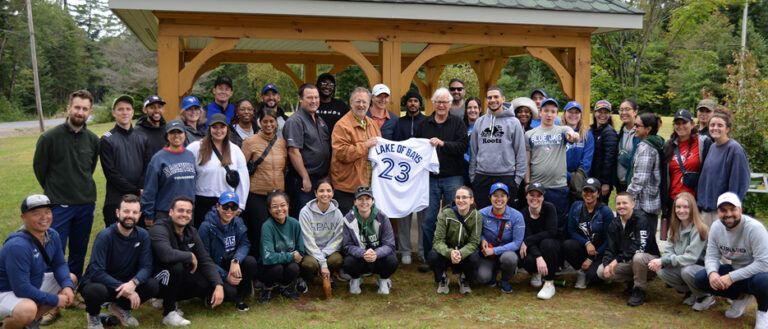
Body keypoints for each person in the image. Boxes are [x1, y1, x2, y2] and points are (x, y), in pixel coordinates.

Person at [33, 89, 99, 280]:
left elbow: (89, 168)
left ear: (89, 111)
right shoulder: (49, 138)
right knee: (55, 249)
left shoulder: (94, 140)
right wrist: (56, 189)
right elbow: (40, 169)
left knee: (79, 250)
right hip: (59, 204)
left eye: (85, 109)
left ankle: (73, 288)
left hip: (85, 203)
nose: (80, 112)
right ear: (68, 108)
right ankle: (53, 294)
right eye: (77, 107)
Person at [80, 194, 158, 329]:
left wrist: (134, 283)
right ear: (118, 213)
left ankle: (120, 307)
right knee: (94, 290)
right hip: (103, 284)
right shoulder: (105, 236)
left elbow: (147, 266)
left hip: (127, 283)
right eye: (126, 211)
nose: (130, 216)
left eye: (134, 212)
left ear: (139, 215)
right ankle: (93, 316)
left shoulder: (143, 235)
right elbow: (96, 271)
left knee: (153, 285)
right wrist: (126, 288)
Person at [0, 195, 76, 329]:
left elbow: (59, 264)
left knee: (70, 279)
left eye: (47, 212)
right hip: (6, 291)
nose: (44, 217)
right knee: (27, 310)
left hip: (31, 282)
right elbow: (21, 289)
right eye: (36, 213)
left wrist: (67, 286)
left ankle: (30, 324)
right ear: (23, 217)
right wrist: (56, 300)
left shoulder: (52, 234)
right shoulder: (17, 246)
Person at [693, 192, 768, 327]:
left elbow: (763, 263)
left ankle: (764, 312)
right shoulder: (716, 227)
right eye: (723, 210)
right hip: (736, 269)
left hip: (759, 273)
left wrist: (731, 277)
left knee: (764, 282)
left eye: (733, 209)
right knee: (701, 278)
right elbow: (711, 255)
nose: (728, 214)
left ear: (740, 209)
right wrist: (712, 273)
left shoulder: (755, 228)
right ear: (718, 212)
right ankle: (739, 297)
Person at [149, 196, 224, 326]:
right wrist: (189, 256)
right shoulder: (159, 228)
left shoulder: (191, 232)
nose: (184, 214)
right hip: (154, 277)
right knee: (176, 266)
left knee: (203, 283)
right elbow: (165, 254)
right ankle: (169, 312)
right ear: (171, 212)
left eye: (188, 211)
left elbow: (205, 260)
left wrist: (218, 285)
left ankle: (168, 299)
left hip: (175, 276)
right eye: (180, 210)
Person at [417, 87, 468, 270]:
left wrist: (443, 144)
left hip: (453, 177)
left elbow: (463, 147)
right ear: (433, 102)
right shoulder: (423, 124)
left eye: (445, 102)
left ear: (450, 104)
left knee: (455, 218)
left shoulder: (458, 123)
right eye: (438, 101)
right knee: (428, 220)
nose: (441, 105)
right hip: (429, 179)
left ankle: (455, 255)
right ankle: (431, 257)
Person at [525, 98, 580, 238]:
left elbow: (572, 133)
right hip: (537, 187)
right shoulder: (530, 134)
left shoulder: (562, 131)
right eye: (546, 111)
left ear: (556, 114)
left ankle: (558, 256)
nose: (549, 114)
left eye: (553, 111)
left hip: (558, 187)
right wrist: (527, 182)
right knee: (538, 222)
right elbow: (527, 161)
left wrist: (574, 135)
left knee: (558, 224)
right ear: (540, 113)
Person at [647, 192, 711, 310]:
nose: (681, 210)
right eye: (678, 207)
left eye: (686, 207)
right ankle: (693, 292)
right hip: (684, 266)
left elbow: (691, 258)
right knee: (660, 270)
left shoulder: (699, 228)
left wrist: (664, 260)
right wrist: (662, 261)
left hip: (702, 269)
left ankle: (705, 296)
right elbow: (668, 250)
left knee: (686, 271)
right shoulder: (675, 226)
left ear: (692, 208)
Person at [187, 113, 250, 227]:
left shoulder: (235, 150)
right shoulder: (196, 147)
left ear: (227, 128)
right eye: (214, 127)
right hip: (201, 201)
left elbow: (243, 179)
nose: (218, 130)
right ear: (209, 128)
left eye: (222, 127)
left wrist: (240, 205)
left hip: (226, 203)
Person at [597, 193, 660, 307]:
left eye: (625, 203)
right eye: (618, 203)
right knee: (601, 271)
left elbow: (640, 246)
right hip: (628, 262)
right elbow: (610, 248)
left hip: (649, 262)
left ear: (633, 204)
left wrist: (617, 260)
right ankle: (632, 282)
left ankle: (639, 290)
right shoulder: (614, 223)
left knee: (638, 257)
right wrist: (607, 264)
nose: (621, 206)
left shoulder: (642, 220)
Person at [198, 192, 258, 311]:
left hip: (231, 263)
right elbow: (204, 259)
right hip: (215, 267)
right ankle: (209, 295)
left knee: (250, 261)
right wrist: (225, 276)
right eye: (225, 206)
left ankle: (240, 297)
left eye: (233, 207)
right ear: (218, 206)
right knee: (230, 293)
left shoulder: (238, 222)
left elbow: (245, 244)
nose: (229, 211)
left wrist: (236, 260)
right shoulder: (206, 227)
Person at [469, 87, 527, 209]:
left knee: (505, 217)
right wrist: (473, 177)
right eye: (489, 97)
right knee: (483, 216)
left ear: (503, 99)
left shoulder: (514, 122)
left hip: (506, 176)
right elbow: (474, 151)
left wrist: (516, 180)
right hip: (482, 177)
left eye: (496, 97)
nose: (493, 100)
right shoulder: (479, 122)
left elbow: (521, 153)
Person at [241, 108, 287, 256]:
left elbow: (284, 167)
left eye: (271, 121)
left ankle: (276, 265)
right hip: (257, 195)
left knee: (278, 231)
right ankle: (258, 268)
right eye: (265, 121)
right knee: (259, 232)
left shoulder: (282, 143)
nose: (268, 125)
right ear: (259, 122)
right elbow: (241, 168)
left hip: (278, 195)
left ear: (276, 123)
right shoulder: (249, 142)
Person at [99, 95, 150, 227]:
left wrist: (140, 189)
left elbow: (147, 166)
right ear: (113, 113)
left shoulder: (142, 138)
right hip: (115, 199)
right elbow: (111, 173)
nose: (125, 112)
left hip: (138, 200)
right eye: (120, 109)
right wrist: (136, 190)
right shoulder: (107, 139)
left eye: (128, 109)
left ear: (132, 112)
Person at [660, 109, 712, 238]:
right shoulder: (669, 146)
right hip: (674, 198)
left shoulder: (703, 143)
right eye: (677, 123)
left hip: (694, 199)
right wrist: (664, 202)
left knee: (696, 236)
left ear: (693, 124)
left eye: (684, 122)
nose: (681, 126)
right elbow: (664, 176)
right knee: (676, 236)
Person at [330, 87, 381, 214]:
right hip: (348, 188)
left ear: (369, 104)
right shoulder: (342, 125)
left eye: (364, 102)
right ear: (351, 103)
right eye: (358, 101)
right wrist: (365, 145)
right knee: (348, 226)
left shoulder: (372, 123)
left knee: (365, 226)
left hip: (367, 186)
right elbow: (342, 153)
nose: (361, 105)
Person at [283, 83, 331, 218]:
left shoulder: (319, 120)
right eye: (309, 98)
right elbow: (293, 151)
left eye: (316, 97)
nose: (314, 101)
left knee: (316, 220)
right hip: (303, 181)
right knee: (303, 218)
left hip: (320, 179)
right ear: (300, 99)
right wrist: (305, 177)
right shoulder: (295, 121)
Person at [392, 90, 429, 267]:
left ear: (419, 103)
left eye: (416, 101)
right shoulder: (399, 123)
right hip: (404, 175)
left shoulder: (427, 121)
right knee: (404, 213)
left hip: (422, 175)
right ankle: (405, 249)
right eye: (410, 101)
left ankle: (422, 250)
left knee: (423, 213)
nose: (413, 104)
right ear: (406, 104)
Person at [696, 110, 751, 227]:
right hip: (706, 210)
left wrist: (729, 210)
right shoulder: (712, 147)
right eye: (712, 125)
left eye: (720, 125)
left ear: (727, 129)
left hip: (722, 213)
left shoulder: (734, 150)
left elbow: (740, 183)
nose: (715, 128)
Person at [341, 186, 398, 295]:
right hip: (360, 258)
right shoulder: (348, 219)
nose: (364, 202)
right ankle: (355, 279)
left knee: (392, 261)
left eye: (367, 199)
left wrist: (376, 253)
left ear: (372, 201)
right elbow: (347, 245)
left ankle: (383, 280)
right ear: (355, 202)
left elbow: (390, 244)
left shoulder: (382, 217)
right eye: (360, 199)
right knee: (348, 262)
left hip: (378, 258)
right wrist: (363, 253)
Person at [141, 120, 197, 226]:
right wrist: (148, 214)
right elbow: (150, 189)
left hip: (187, 212)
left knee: (186, 242)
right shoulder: (158, 158)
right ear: (167, 136)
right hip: (166, 212)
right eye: (172, 132)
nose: (176, 136)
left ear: (185, 134)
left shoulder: (190, 155)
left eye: (179, 132)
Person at [428, 186, 481, 295]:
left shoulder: (477, 216)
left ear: (471, 200)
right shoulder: (445, 214)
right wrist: (450, 252)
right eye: (458, 197)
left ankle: (464, 278)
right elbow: (437, 241)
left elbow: (474, 242)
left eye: (464, 197)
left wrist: (461, 253)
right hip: (448, 253)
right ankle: (442, 278)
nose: (460, 200)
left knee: (474, 257)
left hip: (464, 254)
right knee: (433, 255)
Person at [562, 178, 612, 289]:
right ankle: (581, 273)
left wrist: (591, 258)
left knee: (593, 276)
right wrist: (586, 243)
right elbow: (571, 230)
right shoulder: (576, 206)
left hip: (600, 251)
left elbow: (610, 239)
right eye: (586, 191)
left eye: (592, 191)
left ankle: (596, 272)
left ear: (598, 194)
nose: (588, 194)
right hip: (584, 248)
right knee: (567, 245)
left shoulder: (606, 212)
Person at [476, 183, 525, 294]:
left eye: (502, 195)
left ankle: (505, 279)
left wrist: (494, 250)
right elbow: (476, 233)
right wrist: (482, 239)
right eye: (495, 195)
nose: (499, 199)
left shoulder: (517, 216)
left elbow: (517, 243)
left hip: (506, 253)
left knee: (509, 259)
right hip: (488, 255)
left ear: (508, 198)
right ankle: (493, 273)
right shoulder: (481, 214)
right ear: (490, 198)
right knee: (482, 278)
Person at [298, 178, 344, 294]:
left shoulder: (337, 213)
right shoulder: (305, 212)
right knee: (309, 264)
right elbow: (307, 240)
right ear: (315, 193)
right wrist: (322, 262)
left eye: (329, 191)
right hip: (310, 251)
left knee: (337, 260)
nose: (325, 194)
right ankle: (307, 279)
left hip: (328, 251)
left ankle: (328, 276)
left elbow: (338, 239)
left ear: (333, 193)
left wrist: (323, 256)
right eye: (321, 191)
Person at [258, 190, 305, 303]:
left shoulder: (294, 223)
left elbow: (301, 251)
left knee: (294, 268)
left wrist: (296, 256)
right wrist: (291, 255)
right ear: (269, 210)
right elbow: (268, 257)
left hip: (287, 264)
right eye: (275, 206)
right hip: (270, 267)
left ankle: (283, 287)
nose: (279, 209)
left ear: (288, 206)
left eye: (283, 205)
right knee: (277, 268)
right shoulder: (267, 226)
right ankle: (267, 288)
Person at [519, 183, 560, 300]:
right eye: (532, 195)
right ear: (526, 196)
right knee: (523, 255)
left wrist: (528, 240)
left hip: (551, 247)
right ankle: (537, 273)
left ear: (543, 198)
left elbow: (552, 232)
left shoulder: (549, 208)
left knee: (547, 243)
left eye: (539, 195)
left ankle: (549, 282)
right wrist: (538, 257)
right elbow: (526, 238)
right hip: (534, 249)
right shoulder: (523, 214)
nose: (535, 198)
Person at [626, 112, 664, 233]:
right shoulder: (657, 142)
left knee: (642, 244)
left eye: (637, 126)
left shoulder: (646, 148)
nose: (634, 128)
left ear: (648, 129)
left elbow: (639, 179)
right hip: (650, 203)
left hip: (643, 205)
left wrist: (627, 198)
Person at [563, 101, 594, 201]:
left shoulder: (587, 134)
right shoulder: (559, 131)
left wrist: (576, 177)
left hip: (579, 179)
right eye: (570, 112)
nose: (573, 115)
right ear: (564, 114)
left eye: (576, 112)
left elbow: (587, 159)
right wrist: (566, 175)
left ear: (580, 115)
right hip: (561, 176)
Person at [590, 99, 618, 203]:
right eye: (600, 112)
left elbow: (609, 159)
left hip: (602, 181)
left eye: (606, 112)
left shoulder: (609, 132)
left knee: (600, 207)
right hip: (592, 176)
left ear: (609, 114)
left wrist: (606, 182)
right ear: (594, 113)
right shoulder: (591, 130)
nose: (602, 115)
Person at [616, 99, 639, 194]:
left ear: (635, 112)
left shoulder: (641, 133)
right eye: (621, 110)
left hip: (635, 184)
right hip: (620, 184)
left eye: (627, 109)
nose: (623, 112)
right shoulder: (619, 134)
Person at [462, 97, 482, 185]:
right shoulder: (460, 126)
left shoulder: (486, 126)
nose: (472, 110)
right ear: (466, 110)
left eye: (475, 107)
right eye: (469, 108)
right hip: (463, 169)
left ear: (480, 109)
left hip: (480, 169)